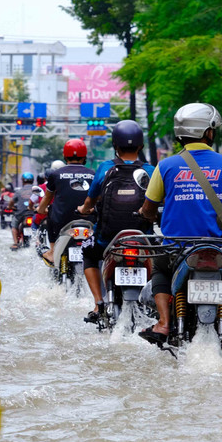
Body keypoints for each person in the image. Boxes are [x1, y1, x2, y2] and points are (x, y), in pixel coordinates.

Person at [138, 103, 222, 357]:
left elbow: (148, 209)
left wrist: (148, 215)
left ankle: (164, 323)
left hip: (176, 248)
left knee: (160, 267)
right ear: (208, 132)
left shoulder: (166, 166)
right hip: (220, 248)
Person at [76, 121, 155, 322]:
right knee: (163, 259)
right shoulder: (151, 171)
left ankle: (98, 302)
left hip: (108, 239)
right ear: (141, 146)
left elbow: (89, 200)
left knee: (88, 253)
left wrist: (84, 210)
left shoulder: (104, 168)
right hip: (142, 238)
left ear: (115, 145)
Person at [37, 139, 96, 265]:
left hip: (61, 223)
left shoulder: (56, 174)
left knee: (51, 210)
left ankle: (52, 251)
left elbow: (47, 199)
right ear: (84, 156)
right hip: (89, 220)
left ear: (65, 156)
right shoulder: (93, 174)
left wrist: (41, 210)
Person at [10, 172, 36, 250]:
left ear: (22, 181)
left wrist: (10, 207)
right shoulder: (37, 190)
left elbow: (11, 202)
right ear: (32, 181)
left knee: (14, 226)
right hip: (34, 213)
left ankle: (15, 243)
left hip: (21, 214)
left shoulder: (19, 191)